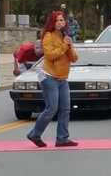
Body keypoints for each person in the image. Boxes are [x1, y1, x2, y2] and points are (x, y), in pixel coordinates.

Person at [26, 11, 79, 149]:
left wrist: (69, 45)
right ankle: (35, 134)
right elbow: (50, 55)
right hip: (49, 77)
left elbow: (74, 58)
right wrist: (63, 46)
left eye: (63, 20)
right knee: (52, 108)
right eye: (58, 20)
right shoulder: (48, 36)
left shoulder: (65, 37)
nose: (61, 22)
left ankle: (62, 139)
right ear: (53, 22)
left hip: (62, 78)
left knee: (65, 109)